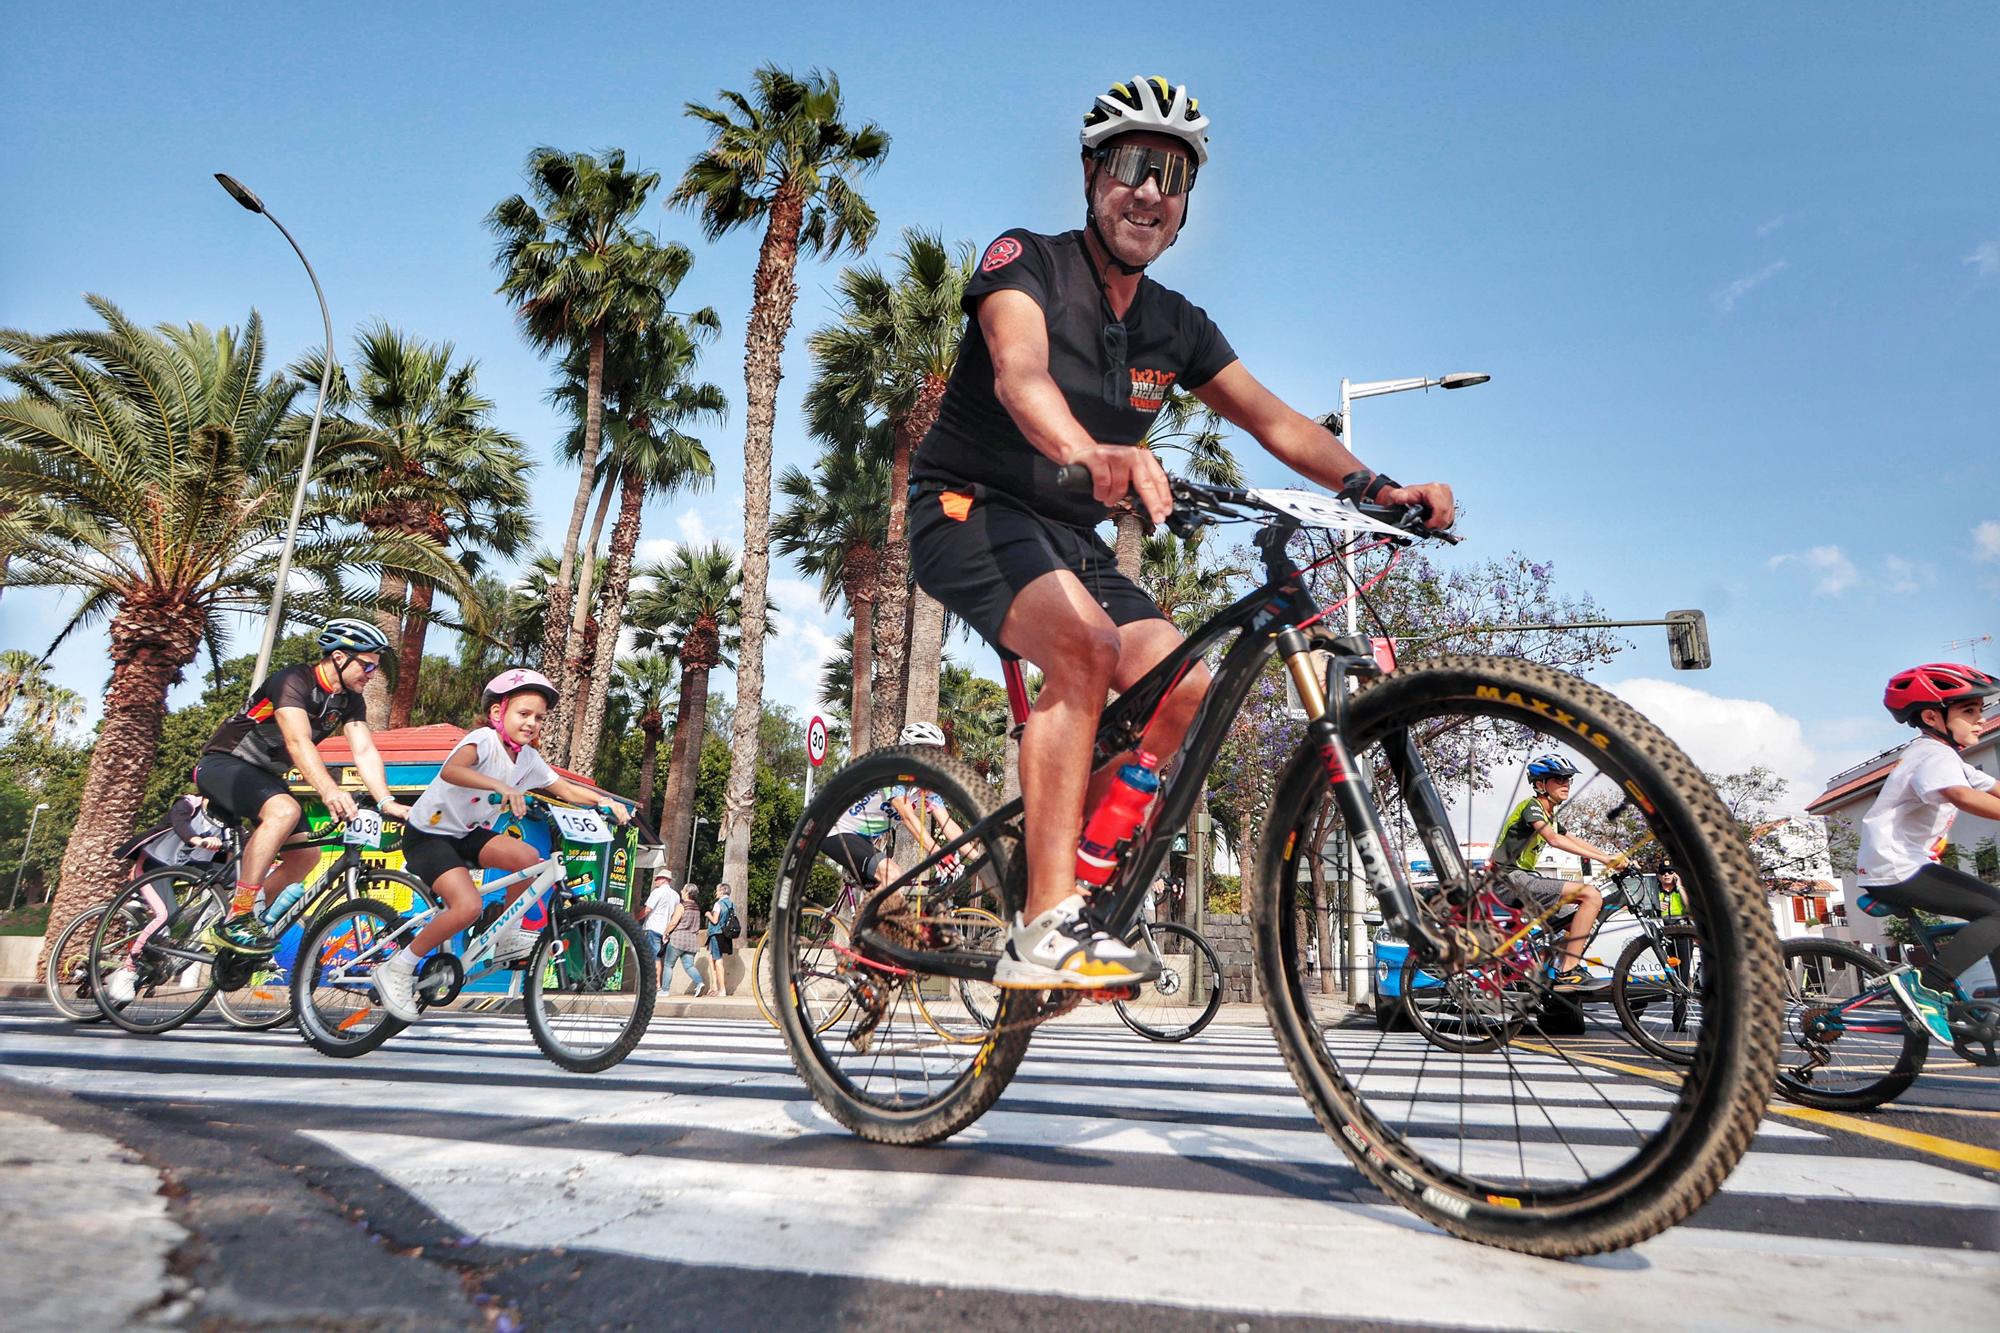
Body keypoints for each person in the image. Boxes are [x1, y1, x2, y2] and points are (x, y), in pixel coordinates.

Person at [907, 76, 1454, 989]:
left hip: (1066, 540)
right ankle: (1044, 923)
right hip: (965, 505)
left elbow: (1275, 422)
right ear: (1091, 173)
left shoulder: (1176, 325)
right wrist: (1092, 451)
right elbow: (1019, 374)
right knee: (1082, 647)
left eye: (1171, 174)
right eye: (1130, 165)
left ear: (1187, 203)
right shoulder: (1025, 263)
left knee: (1184, 690)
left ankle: (1056, 869)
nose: (1149, 191)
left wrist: (1376, 486)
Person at [370, 668, 631, 1024]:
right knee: (468, 906)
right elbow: (452, 771)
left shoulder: (527, 759)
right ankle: (398, 969)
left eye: (539, 718)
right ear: (498, 713)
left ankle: (507, 938)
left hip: (467, 834)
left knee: (529, 859)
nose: (532, 723)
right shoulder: (482, 740)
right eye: (524, 714)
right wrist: (503, 787)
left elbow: (567, 790)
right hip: (429, 834)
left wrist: (604, 803)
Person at [191, 618, 410, 952]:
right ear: (339, 657)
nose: (371, 674)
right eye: (366, 665)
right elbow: (298, 742)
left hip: (266, 776)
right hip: (222, 763)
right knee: (283, 810)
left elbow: (364, 749)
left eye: (375, 668)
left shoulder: (350, 699)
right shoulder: (293, 680)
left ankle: (247, 923)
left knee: (306, 858)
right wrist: (330, 790)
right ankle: (239, 915)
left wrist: (385, 801)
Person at [1856, 663, 2000, 1044]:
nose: (1980, 721)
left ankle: (1993, 1009)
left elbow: (1992, 788)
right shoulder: (1931, 756)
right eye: (1969, 712)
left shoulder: (1946, 757)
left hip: (1907, 865)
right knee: (1998, 909)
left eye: (1981, 711)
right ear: (1932, 716)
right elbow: (1961, 796)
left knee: (1994, 913)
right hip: (1896, 868)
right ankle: (1927, 987)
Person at [1491, 756, 1630, 988]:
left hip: (1525, 879)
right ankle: (1568, 971)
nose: (1566, 783)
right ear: (1540, 784)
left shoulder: (1550, 816)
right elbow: (1554, 840)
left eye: (1569, 779)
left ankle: (1535, 976)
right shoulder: (1531, 806)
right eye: (1559, 778)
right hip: (1508, 879)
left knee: (1574, 922)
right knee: (1591, 895)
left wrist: (1613, 856)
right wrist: (1604, 859)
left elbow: (1569, 837)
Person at [821, 723, 965, 899]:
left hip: (863, 839)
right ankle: (867, 922)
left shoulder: (926, 786)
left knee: (894, 895)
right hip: (835, 830)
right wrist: (937, 853)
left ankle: (870, 926)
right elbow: (907, 817)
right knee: (892, 875)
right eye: (927, 751)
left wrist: (981, 858)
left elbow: (947, 824)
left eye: (937, 751)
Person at [664, 884, 708, 997]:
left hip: (678, 939)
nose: (681, 891)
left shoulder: (682, 906)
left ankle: (665, 989)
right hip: (692, 941)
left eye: (683, 890)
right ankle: (699, 983)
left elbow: (674, 922)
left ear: (687, 892)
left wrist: (666, 932)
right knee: (689, 965)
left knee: (668, 965)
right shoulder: (697, 908)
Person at [641, 871, 681, 988]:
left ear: (664, 879)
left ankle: (654, 983)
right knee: (658, 957)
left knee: (652, 957)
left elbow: (647, 909)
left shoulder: (657, 892)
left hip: (652, 927)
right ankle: (657, 983)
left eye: (657, 878)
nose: (655, 881)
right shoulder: (676, 895)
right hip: (665, 930)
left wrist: (634, 918)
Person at [706, 882, 738, 997]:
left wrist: (708, 914)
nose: (716, 892)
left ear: (722, 891)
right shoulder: (732, 904)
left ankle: (721, 989)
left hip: (716, 933)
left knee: (718, 961)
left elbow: (714, 920)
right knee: (711, 957)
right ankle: (714, 986)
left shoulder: (718, 904)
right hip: (725, 934)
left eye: (717, 890)